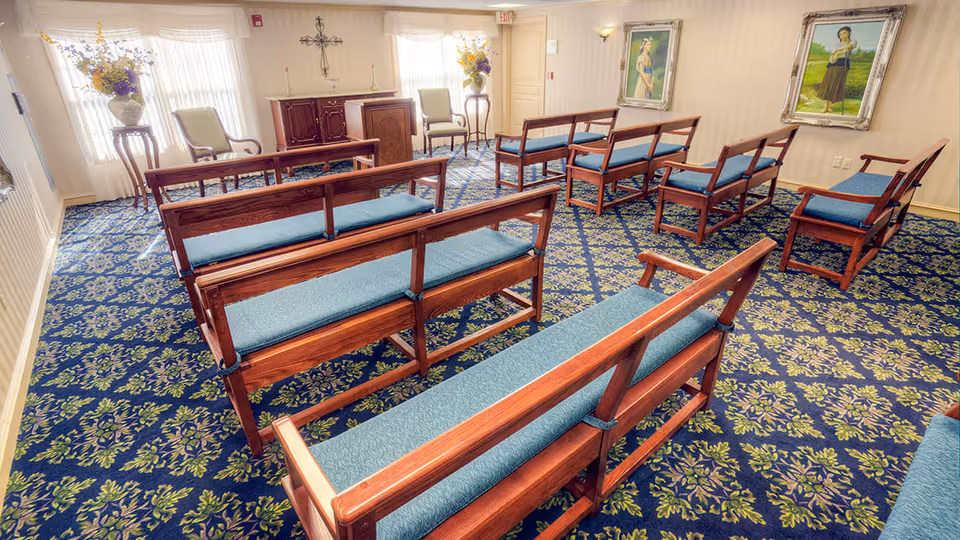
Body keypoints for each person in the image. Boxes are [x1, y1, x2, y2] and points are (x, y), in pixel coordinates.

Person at [817, 26, 857, 113]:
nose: (842, 35)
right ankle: (826, 106)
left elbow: (849, 47)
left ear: (849, 33)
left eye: (844, 33)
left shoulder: (852, 42)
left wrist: (838, 51)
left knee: (835, 84)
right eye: (840, 34)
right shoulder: (836, 45)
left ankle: (830, 105)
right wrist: (835, 54)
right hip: (832, 65)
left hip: (843, 65)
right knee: (828, 84)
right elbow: (831, 58)